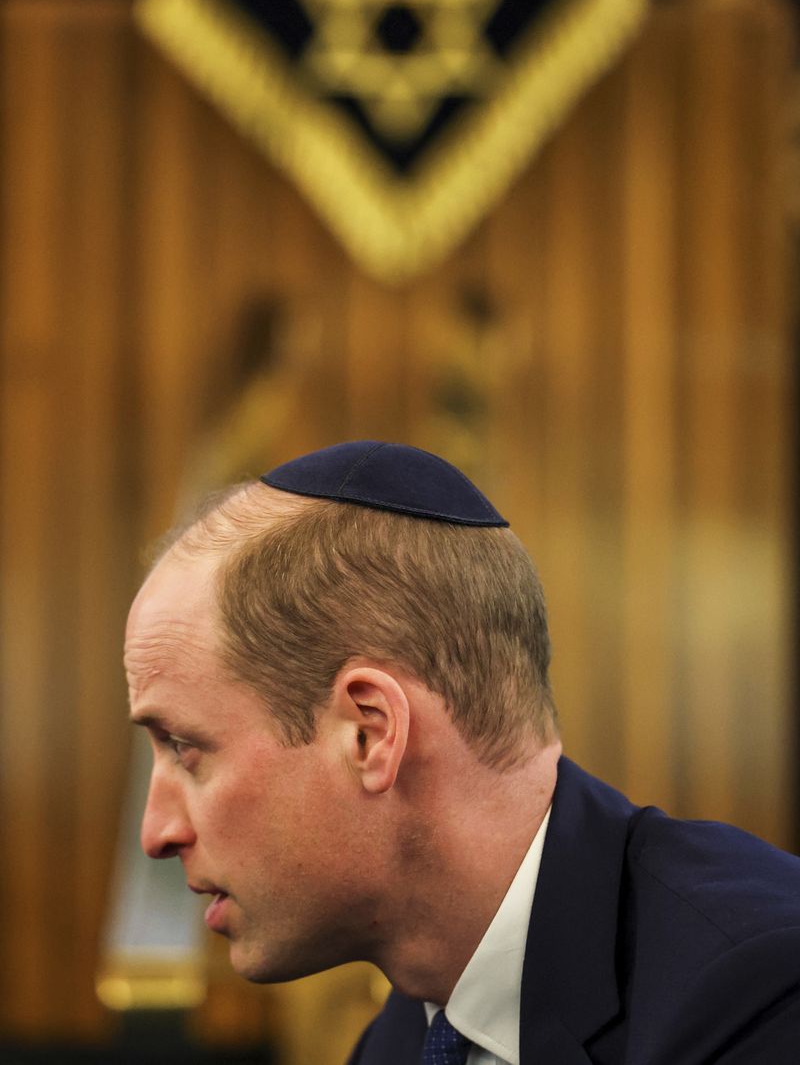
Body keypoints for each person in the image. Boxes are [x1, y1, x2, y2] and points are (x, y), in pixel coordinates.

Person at [125, 440, 800, 1065]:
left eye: (185, 749)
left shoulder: (759, 994)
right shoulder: (397, 1042)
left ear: (370, 733)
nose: (157, 833)